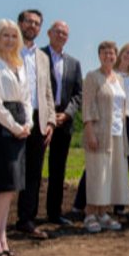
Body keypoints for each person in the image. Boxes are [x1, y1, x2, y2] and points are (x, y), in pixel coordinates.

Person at [0, 19, 33, 256]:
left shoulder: (20, 64)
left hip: (20, 123)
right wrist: (13, 126)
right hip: (0, 124)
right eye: (5, 35)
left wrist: (28, 123)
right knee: (2, 186)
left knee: (12, 188)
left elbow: (27, 98)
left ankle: (2, 236)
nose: (10, 40)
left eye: (14, 36)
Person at [72, 42, 129, 215]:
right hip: (102, 126)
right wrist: (89, 130)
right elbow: (89, 105)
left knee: (118, 168)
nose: (128, 57)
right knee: (97, 168)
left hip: (124, 125)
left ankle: (111, 208)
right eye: (127, 52)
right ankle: (85, 208)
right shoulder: (99, 75)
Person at [11, 10, 55, 240]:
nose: (32, 26)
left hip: (38, 120)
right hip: (12, 117)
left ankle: (26, 220)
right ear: (20, 23)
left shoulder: (43, 57)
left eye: (37, 23)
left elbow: (47, 92)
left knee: (33, 174)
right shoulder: (7, 49)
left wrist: (51, 121)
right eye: (28, 21)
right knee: (8, 172)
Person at [81, 41, 129, 233]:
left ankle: (103, 213)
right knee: (97, 174)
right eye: (105, 53)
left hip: (117, 134)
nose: (108, 56)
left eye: (112, 53)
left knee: (110, 175)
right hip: (100, 133)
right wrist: (89, 131)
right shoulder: (93, 77)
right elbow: (88, 106)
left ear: (115, 56)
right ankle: (90, 213)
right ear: (99, 55)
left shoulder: (119, 79)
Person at [42, 21, 82, 225]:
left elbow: (78, 94)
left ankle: (54, 213)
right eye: (57, 32)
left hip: (64, 121)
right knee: (33, 168)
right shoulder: (38, 57)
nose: (61, 35)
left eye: (65, 33)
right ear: (49, 33)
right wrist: (49, 114)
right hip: (40, 119)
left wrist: (67, 114)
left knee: (58, 170)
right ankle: (27, 215)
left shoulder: (74, 64)